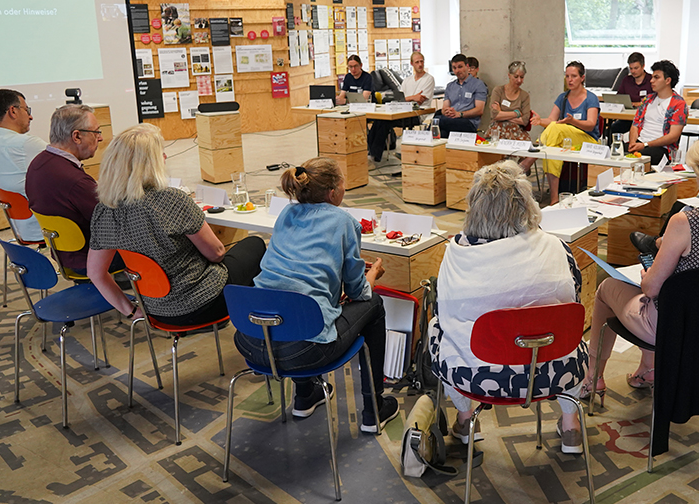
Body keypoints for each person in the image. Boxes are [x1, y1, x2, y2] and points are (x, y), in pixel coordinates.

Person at [430, 160, 588, 453]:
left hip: (478, 376)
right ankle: (570, 426)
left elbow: (445, 315)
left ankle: (466, 421)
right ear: (526, 204)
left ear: (473, 207)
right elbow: (574, 303)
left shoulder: (455, 254)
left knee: (437, 328)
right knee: (571, 335)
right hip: (553, 369)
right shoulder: (557, 248)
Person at [231, 158, 400, 430]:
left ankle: (305, 395)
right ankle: (374, 408)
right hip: (304, 351)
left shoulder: (287, 214)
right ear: (334, 192)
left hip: (252, 340)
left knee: (291, 301)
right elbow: (358, 293)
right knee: (374, 304)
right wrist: (372, 275)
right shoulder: (345, 222)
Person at [585, 133, 699, 394]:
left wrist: (647, 275)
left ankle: (593, 378)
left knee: (609, 289)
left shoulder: (685, 222)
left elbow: (652, 289)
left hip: (673, 326)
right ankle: (648, 369)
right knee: (661, 294)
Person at [87, 124, 265, 324]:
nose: (164, 158)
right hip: (204, 303)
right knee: (255, 245)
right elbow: (216, 254)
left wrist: (131, 311)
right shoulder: (170, 200)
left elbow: (95, 273)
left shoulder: (103, 211)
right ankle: (258, 325)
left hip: (155, 310)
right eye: (160, 153)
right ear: (149, 163)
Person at [25, 104, 102, 274]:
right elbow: (112, 219)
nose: (100, 138)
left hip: (63, 253)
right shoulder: (75, 181)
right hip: (89, 259)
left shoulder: (38, 163)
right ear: (77, 136)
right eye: (96, 132)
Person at [519, 61, 600, 204]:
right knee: (553, 147)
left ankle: (529, 160)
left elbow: (591, 125)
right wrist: (540, 121)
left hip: (588, 140)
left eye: (574, 76)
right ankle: (554, 199)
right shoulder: (562, 97)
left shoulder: (591, 98)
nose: (570, 79)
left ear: (582, 78)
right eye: (567, 76)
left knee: (556, 129)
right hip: (564, 139)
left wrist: (572, 122)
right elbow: (551, 120)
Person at [0, 89, 47, 242]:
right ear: (13, 111)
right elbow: (67, 163)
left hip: (19, 228)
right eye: (27, 110)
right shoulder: (26, 144)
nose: (31, 116)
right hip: (47, 227)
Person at [367, 51, 435, 162]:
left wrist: (408, 98)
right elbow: (401, 98)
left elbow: (420, 100)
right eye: (417, 62)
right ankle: (372, 152)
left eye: (421, 61)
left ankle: (375, 155)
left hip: (418, 114)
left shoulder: (429, 79)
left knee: (384, 123)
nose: (420, 64)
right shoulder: (407, 80)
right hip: (403, 112)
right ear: (412, 64)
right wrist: (412, 97)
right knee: (380, 120)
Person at [628, 59, 688, 166]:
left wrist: (645, 145)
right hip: (640, 143)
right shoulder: (647, 100)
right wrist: (633, 143)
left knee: (639, 158)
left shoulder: (678, 104)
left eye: (656, 77)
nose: (651, 81)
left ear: (667, 80)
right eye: (652, 77)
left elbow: (673, 136)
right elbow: (635, 125)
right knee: (614, 151)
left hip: (661, 148)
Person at [436, 53, 487, 137]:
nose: (457, 71)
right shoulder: (450, 86)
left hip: (468, 122)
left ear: (467, 66)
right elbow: (444, 108)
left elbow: (479, 110)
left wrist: (459, 114)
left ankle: (422, 139)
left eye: (460, 67)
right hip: (450, 120)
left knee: (438, 120)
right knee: (442, 133)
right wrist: (447, 112)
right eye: (454, 68)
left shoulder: (478, 84)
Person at [484, 60, 532, 142]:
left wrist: (501, 113)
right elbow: (494, 115)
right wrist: (516, 113)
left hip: (516, 131)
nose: (519, 80)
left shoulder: (524, 95)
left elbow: (524, 120)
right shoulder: (498, 90)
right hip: (498, 130)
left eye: (522, 77)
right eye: (516, 77)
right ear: (509, 75)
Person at [609, 51, 650, 136]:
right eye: (631, 68)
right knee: (613, 128)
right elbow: (619, 97)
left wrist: (638, 104)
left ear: (643, 66)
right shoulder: (626, 80)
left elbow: (655, 101)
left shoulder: (651, 80)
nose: (633, 71)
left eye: (636, 68)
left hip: (646, 119)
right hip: (627, 117)